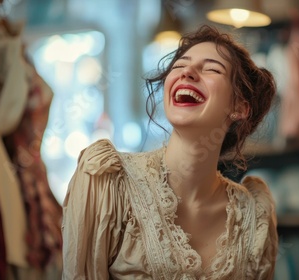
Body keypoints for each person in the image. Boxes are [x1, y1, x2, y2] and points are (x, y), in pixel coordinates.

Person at [62, 24, 278, 279]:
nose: (187, 71)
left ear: (239, 107)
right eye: (179, 66)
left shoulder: (255, 215)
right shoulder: (107, 183)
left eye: (211, 69)